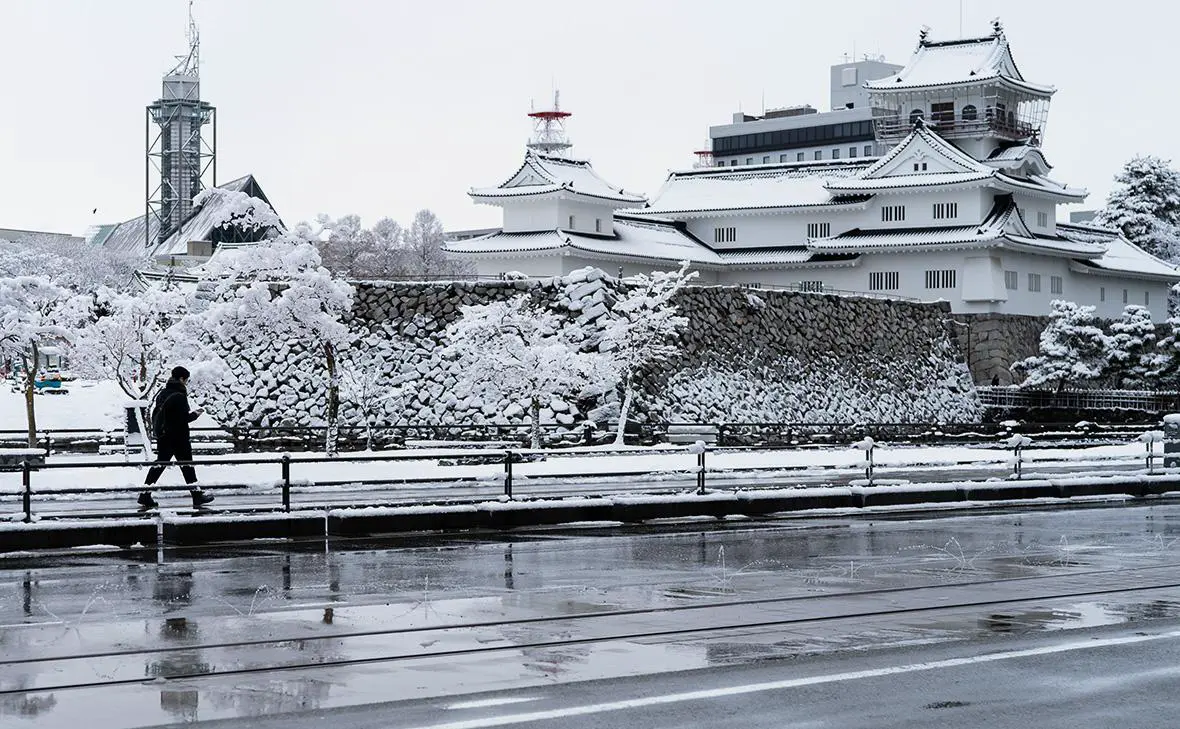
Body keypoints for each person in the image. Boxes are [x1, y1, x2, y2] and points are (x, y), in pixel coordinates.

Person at [138, 366, 214, 510]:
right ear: (181, 379)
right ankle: (197, 496)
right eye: (186, 380)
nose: (186, 383)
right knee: (186, 466)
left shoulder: (163, 393)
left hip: (164, 436)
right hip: (178, 437)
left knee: (160, 464)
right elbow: (183, 418)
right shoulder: (179, 395)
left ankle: (145, 494)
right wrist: (196, 414)